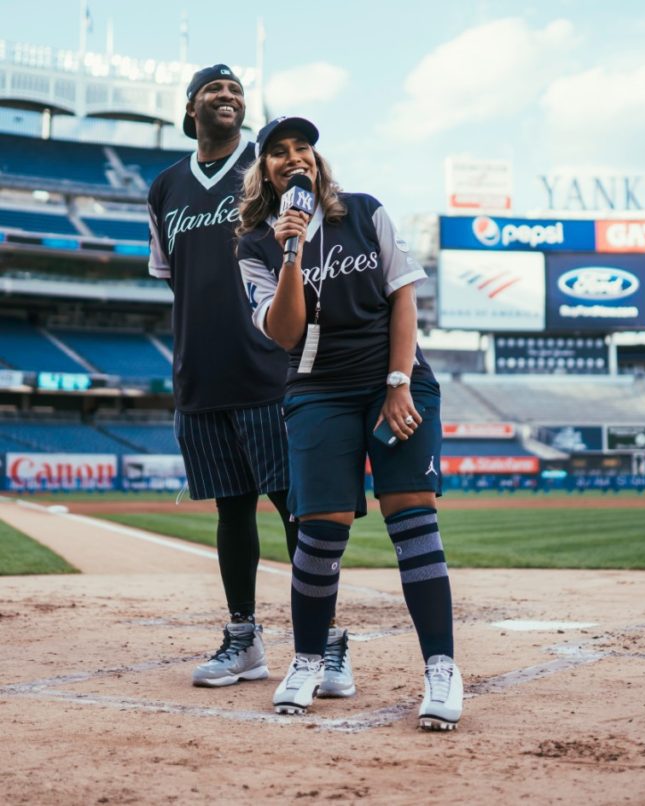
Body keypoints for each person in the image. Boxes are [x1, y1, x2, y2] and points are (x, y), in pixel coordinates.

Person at [236, 115, 462, 730]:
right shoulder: (256, 246)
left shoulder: (365, 211)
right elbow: (284, 332)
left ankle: (441, 668)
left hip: (395, 379)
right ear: (264, 171)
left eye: (302, 147)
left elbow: (404, 296)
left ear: (316, 158)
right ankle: (308, 660)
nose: (294, 157)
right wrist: (293, 251)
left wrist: (396, 384)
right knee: (320, 529)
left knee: (412, 518)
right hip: (318, 391)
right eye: (278, 152)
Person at [147, 66, 353, 697]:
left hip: (270, 369)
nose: (228, 96)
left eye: (236, 90)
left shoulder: (267, 174)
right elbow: (168, 276)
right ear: (191, 109)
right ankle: (245, 640)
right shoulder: (164, 189)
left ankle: (329, 644)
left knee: (298, 511)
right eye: (214, 89)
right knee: (232, 513)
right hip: (200, 375)